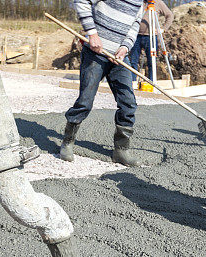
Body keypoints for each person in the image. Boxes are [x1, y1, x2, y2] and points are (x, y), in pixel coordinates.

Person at [59, 0, 145, 166]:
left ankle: (121, 150)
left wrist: (125, 47)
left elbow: (135, 24)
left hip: (120, 58)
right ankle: (68, 141)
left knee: (128, 104)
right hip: (95, 53)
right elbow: (82, 2)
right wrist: (92, 34)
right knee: (85, 101)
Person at [128, 0, 174, 82]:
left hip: (151, 37)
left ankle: (152, 83)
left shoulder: (158, 3)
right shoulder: (139, 2)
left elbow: (170, 15)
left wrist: (163, 29)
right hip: (136, 35)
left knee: (151, 62)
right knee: (133, 61)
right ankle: (132, 83)